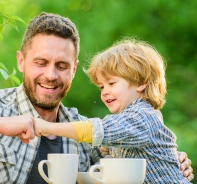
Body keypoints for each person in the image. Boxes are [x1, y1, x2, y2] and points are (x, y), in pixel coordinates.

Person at [0, 12, 193, 183]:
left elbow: (112, 151)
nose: (51, 75)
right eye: (41, 63)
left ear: (74, 70)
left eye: (62, 66)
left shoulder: (81, 132)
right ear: (21, 61)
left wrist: (170, 159)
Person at [34, 38, 193, 183]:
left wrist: (48, 127)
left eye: (111, 83)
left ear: (140, 83)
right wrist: (105, 149)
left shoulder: (143, 116)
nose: (104, 92)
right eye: (102, 86)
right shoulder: (125, 120)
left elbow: (95, 131)